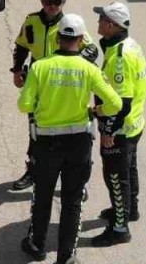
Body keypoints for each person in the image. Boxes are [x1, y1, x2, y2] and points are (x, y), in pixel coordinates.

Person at [18, 14, 121, 264]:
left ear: (57, 37)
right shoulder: (89, 69)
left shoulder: (40, 67)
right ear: (81, 39)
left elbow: (24, 105)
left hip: (46, 143)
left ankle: (36, 245)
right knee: (72, 201)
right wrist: (95, 111)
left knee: (42, 196)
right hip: (78, 143)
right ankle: (66, 258)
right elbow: (115, 103)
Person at [10, 0, 100, 191]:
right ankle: (33, 171)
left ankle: (78, 181)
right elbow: (21, 46)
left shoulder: (70, 24)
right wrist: (17, 71)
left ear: (63, 3)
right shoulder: (31, 21)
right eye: (47, 1)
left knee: (73, 133)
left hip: (63, 84)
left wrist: (74, 61)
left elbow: (92, 50)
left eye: (56, 1)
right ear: (41, 1)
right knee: (35, 129)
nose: (51, 5)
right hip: (38, 80)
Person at [90, 1, 146, 248]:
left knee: (115, 176)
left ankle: (119, 227)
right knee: (129, 170)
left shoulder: (120, 57)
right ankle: (129, 210)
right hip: (135, 125)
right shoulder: (129, 45)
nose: (98, 22)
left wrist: (108, 130)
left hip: (122, 127)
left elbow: (121, 104)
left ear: (112, 25)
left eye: (102, 18)